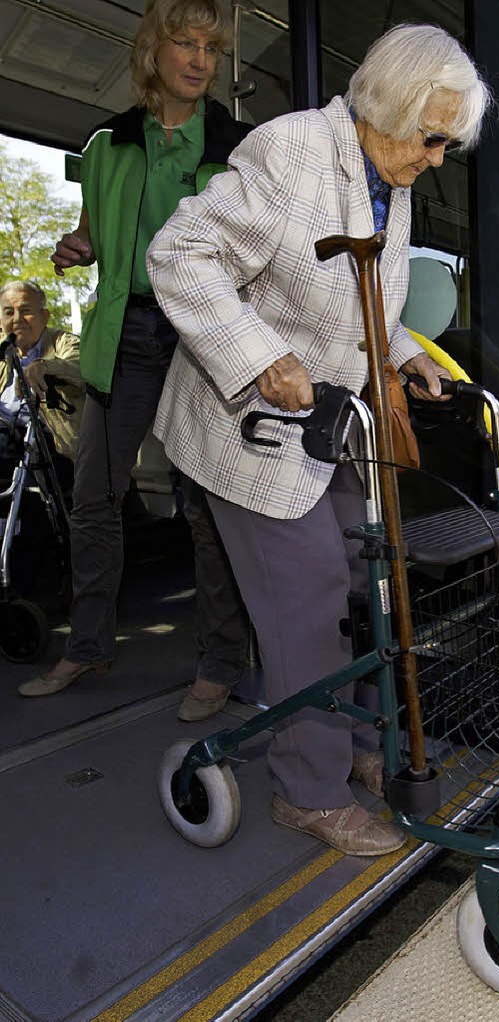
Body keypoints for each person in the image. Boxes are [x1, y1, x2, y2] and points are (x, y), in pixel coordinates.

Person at [147, 22, 491, 855]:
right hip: (251, 431)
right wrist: (261, 355)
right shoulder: (294, 150)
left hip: (328, 426)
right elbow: (178, 253)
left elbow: (355, 300)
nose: (439, 157)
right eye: (433, 136)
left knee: (358, 583)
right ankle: (306, 789)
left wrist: (403, 352)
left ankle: (360, 748)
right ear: (385, 106)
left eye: (450, 141)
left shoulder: (391, 180)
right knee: (301, 600)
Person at [18, 0, 251, 714]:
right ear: (154, 51)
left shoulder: (236, 145)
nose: (199, 60)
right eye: (185, 42)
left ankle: (220, 663)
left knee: (206, 507)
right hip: (127, 337)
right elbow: (95, 234)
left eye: (211, 49)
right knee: (93, 498)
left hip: (201, 337)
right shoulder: (107, 145)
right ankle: (86, 649)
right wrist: (79, 247)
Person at [1, 280, 83, 494]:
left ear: (44, 316)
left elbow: (80, 365)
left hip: (49, 438)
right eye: (9, 312)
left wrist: (45, 367)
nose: (17, 319)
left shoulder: (63, 342)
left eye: (25, 311)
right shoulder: (3, 347)